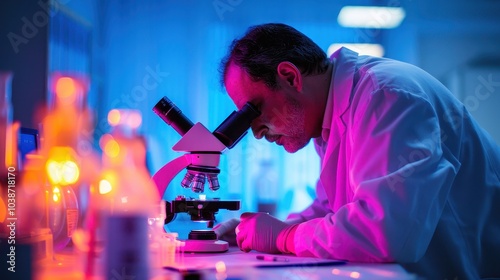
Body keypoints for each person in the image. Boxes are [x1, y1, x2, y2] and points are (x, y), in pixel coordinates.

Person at [212, 23, 500, 279]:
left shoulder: (386, 95)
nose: (257, 132)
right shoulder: (331, 120)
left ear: (290, 77)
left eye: (255, 110)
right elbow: (331, 211)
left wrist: (284, 236)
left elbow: (386, 232)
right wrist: (261, 229)